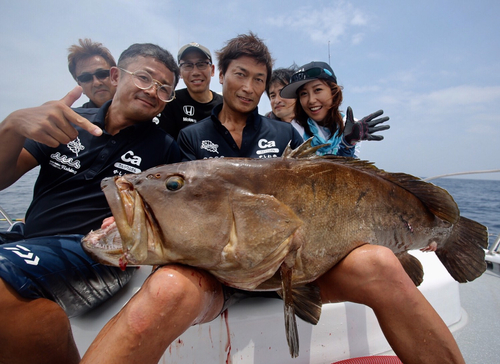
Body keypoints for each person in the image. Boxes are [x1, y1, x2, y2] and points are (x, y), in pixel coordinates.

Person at [79, 33, 466, 364]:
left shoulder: (283, 135)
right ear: (222, 75)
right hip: (215, 274)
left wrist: (347, 144)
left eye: (259, 79)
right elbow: (179, 205)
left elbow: (332, 181)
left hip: (298, 266)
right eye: (240, 74)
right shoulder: (191, 138)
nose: (248, 87)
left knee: (381, 262)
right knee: (164, 289)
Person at [0, 43, 181, 364]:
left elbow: (169, 217)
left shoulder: (165, 149)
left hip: (99, 253)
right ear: (116, 76)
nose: (153, 91)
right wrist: (12, 125)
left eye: (165, 88)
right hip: (32, 241)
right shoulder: (66, 121)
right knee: (35, 314)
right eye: (144, 78)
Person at [280, 61, 390, 157]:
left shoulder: (352, 126)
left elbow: (346, 175)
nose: (311, 100)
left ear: (333, 92)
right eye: (303, 94)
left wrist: (348, 144)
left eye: (317, 90)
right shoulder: (293, 130)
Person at [157, 42, 223, 139]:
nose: (195, 72)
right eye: (188, 65)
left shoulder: (225, 105)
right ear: (180, 73)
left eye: (201, 64)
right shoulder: (169, 102)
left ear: (212, 70)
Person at [67, 38, 117, 108]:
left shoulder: (137, 111)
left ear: (116, 77)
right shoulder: (72, 117)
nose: (96, 83)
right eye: (86, 78)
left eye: (102, 74)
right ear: (80, 85)